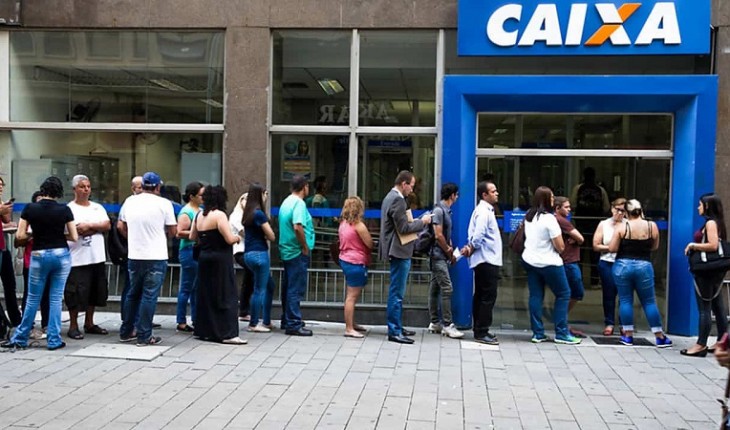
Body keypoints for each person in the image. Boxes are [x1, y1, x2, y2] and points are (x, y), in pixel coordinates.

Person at [1, 177, 77, 350]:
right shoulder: (65, 209)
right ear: (58, 192)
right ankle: (54, 339)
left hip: (39, 254)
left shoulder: (30, 208)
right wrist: (58, 235)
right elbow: (74, 236)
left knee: (33, 298)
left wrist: (35, 234)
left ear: (43, 190)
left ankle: (20, 338)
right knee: (56, 298)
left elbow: (20, 236)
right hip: (61, 254)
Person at [118, 172, 177, 346]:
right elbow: (173, 231)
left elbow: (121, 225)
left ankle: (126, 331)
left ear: (142, 185)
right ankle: (144, 335)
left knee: (132, 294)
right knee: (149, 296)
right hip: (156, 255)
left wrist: (132, 237)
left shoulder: (130, 201)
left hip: (135, 255)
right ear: (158, 187)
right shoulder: (164, 203)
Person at [521, 186, 581, 345]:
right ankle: (561, 333)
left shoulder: (529, 215)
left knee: (535, 296)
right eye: (552, 197)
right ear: (546, 200)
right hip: (549, 262)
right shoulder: (549, 219)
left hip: (530, 260)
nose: (553, 200)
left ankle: (538, 333)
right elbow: (560, 247)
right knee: (563, 294)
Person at [608, 199, 672, 347]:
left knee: (625, 300)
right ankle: (659, 336)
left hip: (623, 265)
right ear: (641, 210)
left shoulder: (622, 227)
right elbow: (654, 246)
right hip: (644, 265)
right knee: (649, 301)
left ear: (626, 212)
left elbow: (612, 248)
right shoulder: (651, 226)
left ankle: (628, 336)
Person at [379, 170, 431, 344]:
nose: (412, 190)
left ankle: (397, 326)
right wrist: (422, 222)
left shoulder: (389, 197)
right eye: (411, 186)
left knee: (397, 290)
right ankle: (394, 330)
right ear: (404, 184)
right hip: (399, 250)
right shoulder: (398, 200)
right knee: (397, 292)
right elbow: (403, 228)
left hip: (395, 249)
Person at [191, 185, 246, 345]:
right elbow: (229, 239)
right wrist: (237, 238)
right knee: (225, 294)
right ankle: (227, 333)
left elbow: (193, 236)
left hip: (204, 258)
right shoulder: (219, 215)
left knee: (207, 295)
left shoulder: (199, 215)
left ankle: (205, 331)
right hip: (220, 259)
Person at [65, 175, 112, 340]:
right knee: (75, 293)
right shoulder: (69, 209)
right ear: (74, 189)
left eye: (88, 186)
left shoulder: (97, 207)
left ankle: (89, 322)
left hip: (96, 257)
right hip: (77, 258)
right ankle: (73, 325)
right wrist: (94, 228)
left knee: (95, 291)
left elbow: (106, 225)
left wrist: (90, 226)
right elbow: (75, 230)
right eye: (82, 186)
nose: (86, 190)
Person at [681, 193, 729, 357]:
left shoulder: (710, 223)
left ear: (707, 206)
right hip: (715, 270)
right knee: (718, 306)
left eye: (700, 204)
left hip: (706, 270)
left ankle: (701, 344)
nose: (698, 207)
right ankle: (722, 342)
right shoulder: (718, 222)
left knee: (704, 308)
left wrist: (693, 245)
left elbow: (713, 245)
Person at [461, 181, 501, 345]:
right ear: (484, 195)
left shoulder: (484, 210)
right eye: (493, 191)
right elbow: (478, 235)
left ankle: (479, 328)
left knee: (481, 295)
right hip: (487, 259)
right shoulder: (484, 212)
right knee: (487, 296)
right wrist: (472, 247)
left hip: (484, 259)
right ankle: (482, 331)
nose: (496, 193)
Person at [278, 175, 315, 336]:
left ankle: (287, 319)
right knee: (295, 288)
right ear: (304, 187)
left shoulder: (286, 201)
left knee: (288, 287)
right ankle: (293, 323)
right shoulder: (299, 204)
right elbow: (297, 227)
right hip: (296, 251)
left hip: (287, 250)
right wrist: (304, 246)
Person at [426, 183, 463, 339]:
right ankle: (447, 325)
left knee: (435, 287)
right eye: (457, 194)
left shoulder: (446, 211)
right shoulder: (439, 210)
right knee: (447, 288)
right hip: (438, 255)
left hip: (441, 254)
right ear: (452, 195)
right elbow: (438, 235)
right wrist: (448, 251)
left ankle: (435, 322)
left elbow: (445, 235)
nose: (457, 197)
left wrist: (449, 248)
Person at [242, 183, 276, 333]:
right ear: (260, 195)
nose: (266, 197)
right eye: (265, 194)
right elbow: (271, 235)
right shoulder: (259, 214)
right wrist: (268, 235)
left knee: (269, 286)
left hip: (248, 254)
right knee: (259, 290)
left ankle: (266, 320)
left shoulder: (248, 213)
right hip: (260, 254)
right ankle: (254, 323)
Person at [338, 196, 373, 338]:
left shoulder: (343, 224)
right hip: (356, 261)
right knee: (351, 296)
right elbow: (369, 243)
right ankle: (349, 328)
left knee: (351, 295)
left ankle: (351, 323)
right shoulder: (359, 226)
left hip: (345, 259)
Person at [592, 198, 627, 336]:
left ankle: (624, 324)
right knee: (609, 294)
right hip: (607, 262)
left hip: (624, 262)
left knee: (624, 294)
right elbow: (596, 245)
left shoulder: (628, 224)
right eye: (617, 209)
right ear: (612, 209)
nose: (620, 213)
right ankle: (609, 323)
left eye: (623, 210)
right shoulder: (604, 224)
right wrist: (612, 248)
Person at [571, 167, 610, 285]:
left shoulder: (578, 188)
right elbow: (606, 207)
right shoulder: (600, 190)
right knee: (595, 253)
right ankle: (594, 280)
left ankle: (579, 279)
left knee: (580, 253)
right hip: (595, 224)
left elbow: (572, 204)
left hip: (581, 224)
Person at [18, 191, 50, 340]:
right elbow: (18, 240)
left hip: (47, 260)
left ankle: (47, 324)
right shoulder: (28, 218)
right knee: (29, 294)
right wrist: (30, 234)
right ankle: (28, 326)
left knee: (47, 294)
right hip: (30, 260)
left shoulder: (51, 218)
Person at [554, 196, 586, 338]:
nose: (569, 209)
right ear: (557, 208)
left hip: (566, 261)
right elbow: (581, 238)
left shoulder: (554, 220)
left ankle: (562, 321)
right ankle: (561, 321)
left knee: (567, 293)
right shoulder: (562, 221)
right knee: (575, 292)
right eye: (566, 207)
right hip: (568, 261)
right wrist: (576, 239)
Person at [175, 181, 205, 333]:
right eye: (201, 195)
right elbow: (179, 232)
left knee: (195, 287)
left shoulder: (200, 210)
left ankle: (196, 318)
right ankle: (181, 320)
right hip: (188, 250)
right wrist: (197, 232)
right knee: (187, 286)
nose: (203, 197)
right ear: (192, 196)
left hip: (197, 250)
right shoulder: (186, 212)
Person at [119, 175, 143, 321]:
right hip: (133, 250)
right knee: (131, 285)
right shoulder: (130, 202)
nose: (142, 190)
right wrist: (131, 238)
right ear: (133, 188)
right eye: (140, 187)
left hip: (142, 249)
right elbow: (120, 225)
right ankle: (128, 317)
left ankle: (139, 317)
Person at [229, 193, 255, 322]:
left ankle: (244, 310)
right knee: (253, 274)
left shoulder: (248, 215)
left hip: (247, 250)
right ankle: (244, 309)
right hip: (240, 250)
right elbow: (243, 232)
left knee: (249, 279)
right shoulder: (236, 215)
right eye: (244, 199)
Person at [0, 176, 20, 326]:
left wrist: (5, 210)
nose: (0, 188)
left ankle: (15, 318)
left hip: (3, 246)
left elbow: (6, 221)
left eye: (2, 185)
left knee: (10, 283)